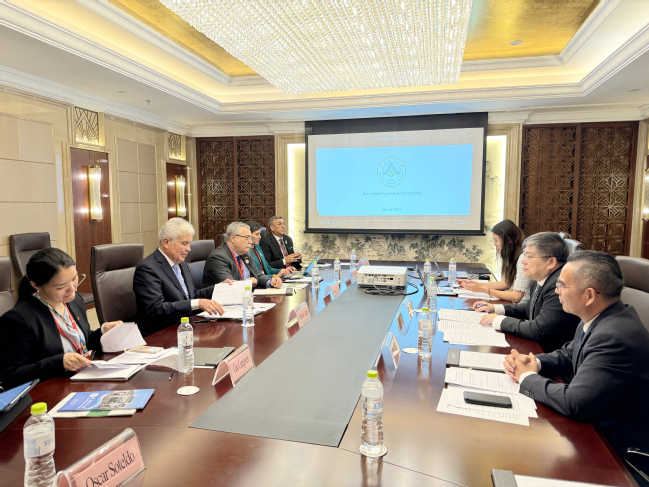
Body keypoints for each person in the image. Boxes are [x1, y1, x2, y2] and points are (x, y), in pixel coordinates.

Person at [504, 250, 649, 459]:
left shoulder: (613, 336)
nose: (556, 291)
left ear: (589, 295)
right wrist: (532, 362)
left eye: (562, 285)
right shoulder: (600, 315)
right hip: (592, 427)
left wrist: (526, 377)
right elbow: (568, 354)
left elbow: (575, 402)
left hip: (612, 450)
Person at [0, 248, 123, 389]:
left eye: (74, 278)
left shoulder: (74, 301)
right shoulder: (19, 319)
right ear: (35, 285)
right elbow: (10, 376)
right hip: (50, 391)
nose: (72, 289)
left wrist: (103, 332)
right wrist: (59, 363)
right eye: (61, 286)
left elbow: (81, 342)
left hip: (82, 381)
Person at [474, 232, 580, 352]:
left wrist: (498, 320)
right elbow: (529, 308)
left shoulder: (559, 286)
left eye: (529, 256)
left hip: (552, 354)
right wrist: (495, 308)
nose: (523, 261)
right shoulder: (540, 279)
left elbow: (538, 330)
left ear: (551, 262)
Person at [133, 218, 224, 337]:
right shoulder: (147, 268)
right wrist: (197, 303)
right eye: (184, 243)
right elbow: (155, 309)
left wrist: (220, 288)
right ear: (166, 242)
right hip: (160, 334)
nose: (189, 249)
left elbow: (191, 296)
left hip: (184, 328)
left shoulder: (181, 264)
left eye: (189, 244)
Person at [460, 219, 531, 303]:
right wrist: (476, 285)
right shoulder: (513, 257)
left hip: (522, 309)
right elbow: (506, 284)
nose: (494, 244)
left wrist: (483, 289)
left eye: (496, 240)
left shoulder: (523, 260)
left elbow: (516, 297)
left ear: (508, 240)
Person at [203, 221, 283, 289]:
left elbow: (256, 273)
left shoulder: (245, 252)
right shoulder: (218, 258)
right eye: (247, 238)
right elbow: (230, 286)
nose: (250, 242)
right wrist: (249, 281)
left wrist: (270, 282)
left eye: (250, 238)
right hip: (222, 301)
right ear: (233, 238)